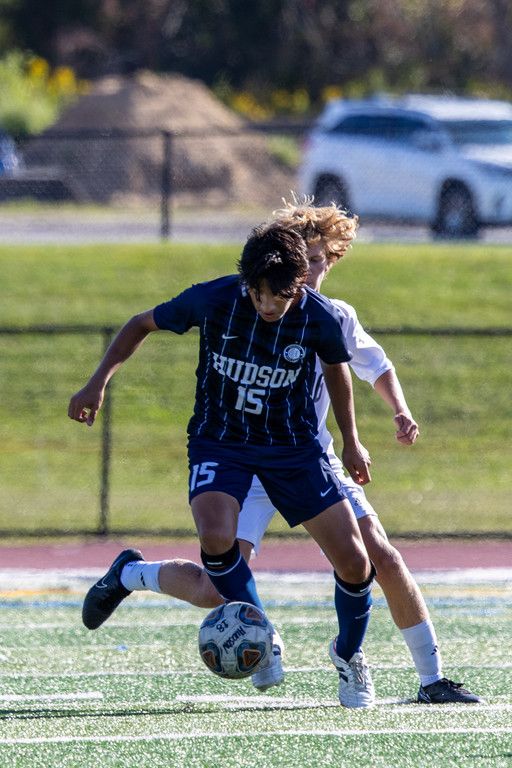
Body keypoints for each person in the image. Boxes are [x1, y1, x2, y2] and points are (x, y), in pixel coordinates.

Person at [72, 198, 480, 705]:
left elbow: (362, 371)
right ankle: (134, 575)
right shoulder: (225, 299)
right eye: (299, 261)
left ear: (330, 261)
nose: (307, 273)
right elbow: (144, 323)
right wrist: (96, 384)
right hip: (234, 452)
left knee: (376, 556)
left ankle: (418, 674)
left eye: (317, 262)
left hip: (302, 453)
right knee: (215, 588)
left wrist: (366, 432)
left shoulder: (331, 318)